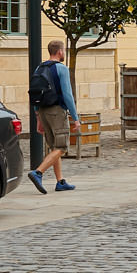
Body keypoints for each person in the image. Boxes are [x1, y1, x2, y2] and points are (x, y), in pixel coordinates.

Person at [28, 41, 80, 195]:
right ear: (60, 52)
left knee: (54, 147)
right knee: (61, 147)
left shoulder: (39, 68)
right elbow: (68, 95)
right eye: (63, 50)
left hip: (43, 110)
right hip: (56, 111)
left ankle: (60, 181)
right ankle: (38, 172)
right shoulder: (61, 68)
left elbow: (35, 93)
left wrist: (38, 117)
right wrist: (75, 118)